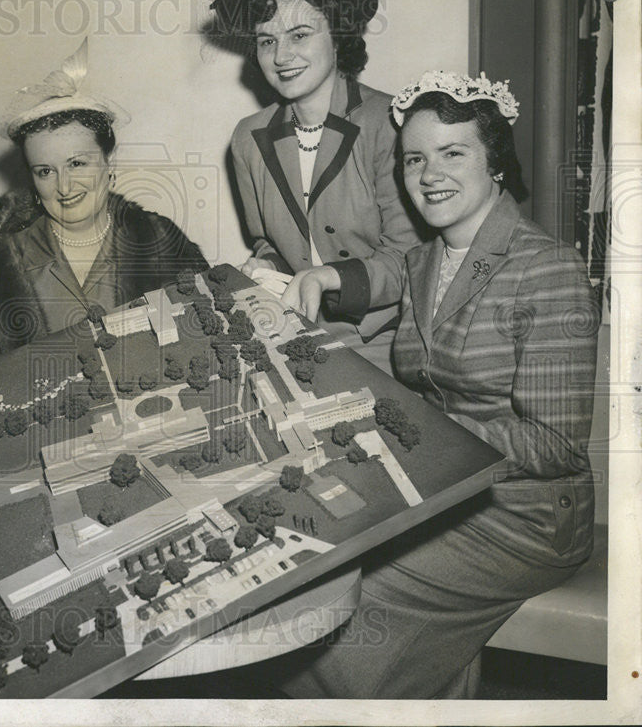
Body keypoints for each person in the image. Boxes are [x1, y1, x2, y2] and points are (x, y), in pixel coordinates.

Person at [254, 71, 599, 698]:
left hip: (528, 515)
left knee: (337, 619)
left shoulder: (548, 268)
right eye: (415, 158)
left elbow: (556, 447)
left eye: (453, 153)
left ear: (495, 162)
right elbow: (401, 339)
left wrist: (417, 427)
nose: (429, 173)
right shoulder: (422, 261)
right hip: (445, 494)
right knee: (304, 562)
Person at [211, 0, 423, 372]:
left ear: (339, 38)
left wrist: (329, 277)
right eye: (266, 40)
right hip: (292, 329)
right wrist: (266, 267)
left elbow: (409, 262)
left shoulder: (391, 123)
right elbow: (270, 243)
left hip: (385, 338)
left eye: (300, 36)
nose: (281, 56)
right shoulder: (248, 137)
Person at [0, 39, 209, 367]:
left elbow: (204, 341)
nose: (63, 186)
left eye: (77, 164)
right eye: (45, 171)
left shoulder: (162, 244)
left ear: (109, 165)